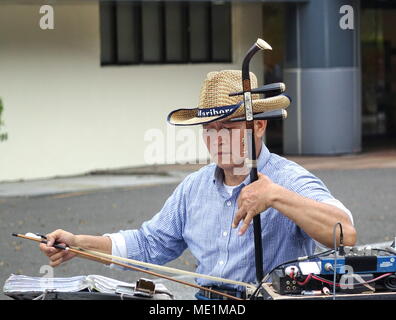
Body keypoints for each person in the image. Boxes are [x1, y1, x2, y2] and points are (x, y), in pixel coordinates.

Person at [39, 70, 356, 299]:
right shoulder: (194, 187)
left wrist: (275, 196)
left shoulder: (288, 178)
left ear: (258, 126)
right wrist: (79, 243)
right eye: (208, 128)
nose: (215, 139)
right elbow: (149, 243)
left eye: (226, 127)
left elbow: (346, 232)